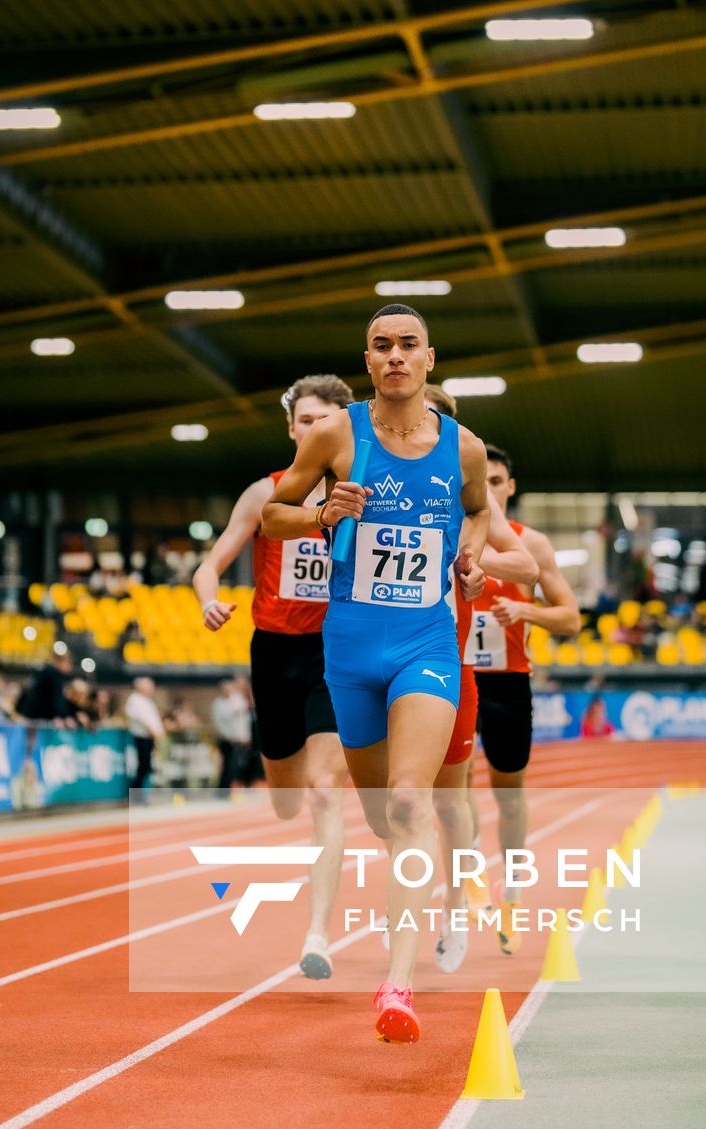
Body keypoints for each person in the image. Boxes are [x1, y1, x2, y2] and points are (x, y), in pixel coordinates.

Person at [263, 305, 489, 1043]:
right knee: (382, 819)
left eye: (409, 346)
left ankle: (399, 985)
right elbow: (273, 516)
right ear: (369, 361)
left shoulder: (464, 450)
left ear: (431, 358)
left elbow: (480, 514)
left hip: (425, 643)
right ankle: (406, 913)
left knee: (410, 801)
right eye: (382, 346)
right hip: (350, 649)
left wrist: (472, 556)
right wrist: (325, 514)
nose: (396, 357)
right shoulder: (337, 434)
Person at [193, 372, 354, 980]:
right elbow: (211, 565)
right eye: (305, 421)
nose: (314, 430)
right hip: (273, 653)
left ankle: (317, 934)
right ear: (291, 428)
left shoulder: (359, 492)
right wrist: (209, 600)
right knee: (287, 800)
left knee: (322, 791)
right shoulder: (265, 492)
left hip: (333, 653)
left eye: (325, 421)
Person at [424, 383, 538, 974]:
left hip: (470, 667)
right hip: (391, 652)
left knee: (489, 796)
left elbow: (528, 565)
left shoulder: (471, 501)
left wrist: (470, 560)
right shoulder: (369, 472)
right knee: (397, 802)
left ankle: (496, 894)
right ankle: (455, 888)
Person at [470, 444, 580, 943]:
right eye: (481, 481)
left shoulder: (530, 544)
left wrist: (526, 613)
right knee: (448, 787)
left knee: (508, 794)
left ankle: (511, 890)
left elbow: (571, 619)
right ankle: (468, 881)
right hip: (451, 672)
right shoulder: (452, 531)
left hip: (508, 680)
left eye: (497, 481)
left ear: (509, 487)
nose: (489, 489)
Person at [211, 677, 255, 790]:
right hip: (226, 739)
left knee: (235, 766)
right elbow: (224, 720)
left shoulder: (237, 700)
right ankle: (223, 789)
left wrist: (245, 737)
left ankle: (232, 788)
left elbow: (242, 722)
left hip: (237, 740)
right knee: (227, 766)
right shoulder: (219, 704)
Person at [124, 675, 165, 790]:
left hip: (150, 737)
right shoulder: (134, 699)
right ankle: (136, 794)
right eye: (149, 685)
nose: (152, 688)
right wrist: (153, 731)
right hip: (141, 737)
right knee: (143, 766)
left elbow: (154, 720)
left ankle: (142, 792)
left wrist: (159, 732)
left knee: (148, 766)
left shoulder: (148, 701)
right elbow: (142, 719)